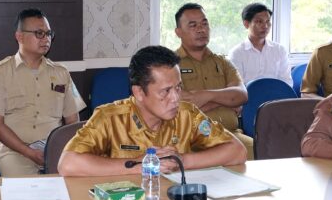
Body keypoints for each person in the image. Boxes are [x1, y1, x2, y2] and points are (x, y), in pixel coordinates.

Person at [58, 46, 247, 176]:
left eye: (178, 87)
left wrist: (181, 161)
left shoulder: (187, 114)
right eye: (166, 91)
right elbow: (67, 163)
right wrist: (138, 165)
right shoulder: (110, 117)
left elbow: (237, 151)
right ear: (139, 92)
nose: (175, 98)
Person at [0, 8, 86, 175]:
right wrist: (29, 152)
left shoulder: (61, 73)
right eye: (39, 33)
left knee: (74, 183)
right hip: (13, 151)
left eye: (48, 33)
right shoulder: (0, 73)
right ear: (19, 36)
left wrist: (64, 150)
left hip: (54, 150)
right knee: (26, 187)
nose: (46, 38)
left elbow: (73, 121)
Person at [172, 3, 252, 154]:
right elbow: (178, 107)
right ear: (178, 32)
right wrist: (224, 102)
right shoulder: (170, 65)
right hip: (190, 141)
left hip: (231, 135)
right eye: (193, 25)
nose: (201, 29)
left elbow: (241, 95)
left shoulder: (222, 62)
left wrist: (204, 96)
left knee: (259, 151)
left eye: (204, 24)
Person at [228, 3, 292, 86]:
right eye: (259, 21)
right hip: (249, 94)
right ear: (246, 24)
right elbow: (237, 86)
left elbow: (287, 82)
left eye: (268, 21)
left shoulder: (279, 50)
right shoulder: (237, 53)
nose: (265, 26)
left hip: (276, 94)